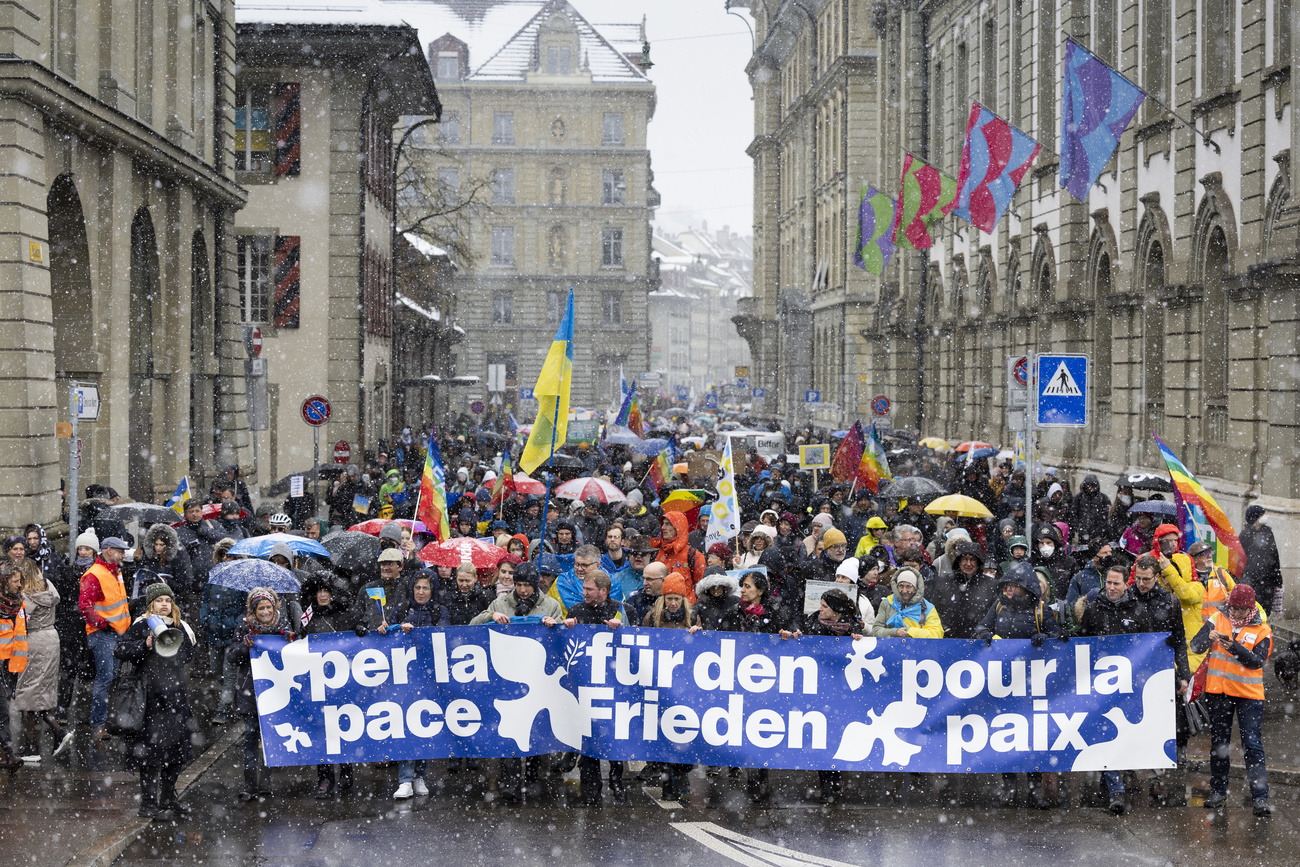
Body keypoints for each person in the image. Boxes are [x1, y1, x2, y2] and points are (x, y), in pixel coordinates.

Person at [974, 563, 1062, 808]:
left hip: (1033, 684)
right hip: (1004, 682)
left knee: (1032, 736)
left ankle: (1034, 789)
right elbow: (981, 626)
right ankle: (1009, 787)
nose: (1010, 590)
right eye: (1008, 586)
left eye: (1015, 586)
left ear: (1027, 588)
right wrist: (984, 634)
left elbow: (1059, 636)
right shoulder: (999, 605)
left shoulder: (1041, 610)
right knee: (1006, 734)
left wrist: (1045, 637)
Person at [114, 583, 197, 821]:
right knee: (151, 753)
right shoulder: (141, 625)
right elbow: (120, 650)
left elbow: (187, 654)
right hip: (150, 698)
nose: (164, 604)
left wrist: (173, 647)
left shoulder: (179, 627)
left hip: (174, 697)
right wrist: (145, 645)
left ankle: (168, 797)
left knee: (176, 750)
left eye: (168, 601)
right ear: (151, 604)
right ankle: (148, 804)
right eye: (159, 600)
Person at [1190, 584, 1272, 816]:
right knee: (1219, 745)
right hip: (1219, 693)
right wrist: (1207, 638)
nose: (1235, 613)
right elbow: (1195, 646)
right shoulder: (1217, 618)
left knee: (1252, 745)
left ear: (1251, 608)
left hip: (1249, 695)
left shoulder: (1262, 629)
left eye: (1240, 610)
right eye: (1232, 608)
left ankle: (1260, 798)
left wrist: (1234, 647)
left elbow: (1258, 662)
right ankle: (1218, 792)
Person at [545, 570, 625, 806]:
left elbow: (639, 641)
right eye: (584, 588)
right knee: (588, 736)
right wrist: (566, 627)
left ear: (604, 591)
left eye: (589, 589)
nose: (584, 593)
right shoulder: (577, 610)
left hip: (613, 685)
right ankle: (591, 787)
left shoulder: (621, 610)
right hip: (584, 685)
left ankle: (617, 781)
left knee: (614, 737)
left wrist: (622, 629)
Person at [797, 588, 866, 803]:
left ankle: (835, 778)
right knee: (820, 736)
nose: (820, 609)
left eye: (825, 606)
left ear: (836, 610)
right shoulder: (811, 622)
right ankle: (826, 784)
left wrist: (860, 642)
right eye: (820, 604)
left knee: (835, 735)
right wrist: (795, 636)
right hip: (818, 689)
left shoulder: (853, 627)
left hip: (842, 692)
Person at [228, 587, 296, 801]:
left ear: (274, 607)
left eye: (268, 607)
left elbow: (294, 654)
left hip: (275, 691)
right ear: (253, 610)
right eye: (260, 608)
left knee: (269, 738)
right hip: (250, 691)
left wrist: (290, 640)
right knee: (251, 737)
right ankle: (249, 784)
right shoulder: (244, 626)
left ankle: (265, 782)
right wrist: (245, 646)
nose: (265, 612)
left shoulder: (283, 625)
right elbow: (232, 657)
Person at [8, 558, 71, 761]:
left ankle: (35, 747)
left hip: (34, 642)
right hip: (51, 639)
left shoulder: (28, 596)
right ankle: (53, 735)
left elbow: (21, 620)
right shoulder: (48, 589)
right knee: (39, 692)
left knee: (28, 694)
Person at [298, 574, 355, 798]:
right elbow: (299, 645)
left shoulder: (344, 615)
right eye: (319, 591)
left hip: (342, 683)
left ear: (333, 593)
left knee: (343, 726)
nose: (322, 595)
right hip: (317, 684)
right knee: (321, 730)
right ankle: (324, 778)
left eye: (326, 591)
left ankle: (346, 770)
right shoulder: (307, 618)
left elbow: (356, 640)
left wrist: (361, 630)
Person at [80, 536, 130, 739]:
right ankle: (98, 723)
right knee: (105, 679)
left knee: (109, 678)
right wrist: (104, 625)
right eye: (120, 551)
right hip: (104, 635)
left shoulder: (114, 571)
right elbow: (85, 607)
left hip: (115, 633)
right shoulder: (95, 574)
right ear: (109, 551)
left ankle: (101, 721)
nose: (123, 555)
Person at [46, 527, 93, 727]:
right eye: (80, 548)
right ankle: (62, 707)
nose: (83, 552)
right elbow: (61, 600)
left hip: (92, 627)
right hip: (71, 628)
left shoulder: (98, 573)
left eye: (87, 549)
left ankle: (90, 712)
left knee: (90, 670)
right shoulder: (68, 572)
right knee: (68, 669)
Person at [928, 540, 997, 640]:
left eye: (972, 560)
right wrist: (944, 628)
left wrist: (983, 631)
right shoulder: (944, 582)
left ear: (979, 562)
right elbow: (933, 610)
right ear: (958, 561)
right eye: (965, 559)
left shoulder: (991, 585)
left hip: (979, 641)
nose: (968, 564)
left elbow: (996, 614)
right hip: (948, 640)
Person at [870, 567, 944, 638]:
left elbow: (937, 634)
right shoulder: (887, 603)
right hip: (890, 646)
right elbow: (876, 630)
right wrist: (895, 632)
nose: (904, 591)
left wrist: (909, 632)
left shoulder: (926, 607)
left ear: (915, 588)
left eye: (908, 586)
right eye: (901, 586)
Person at [550, 544, 625, 614]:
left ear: (597, 565)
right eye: (577, 564)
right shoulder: (562, 582)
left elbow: (620, 613)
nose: (579, 569)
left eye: (584, 565)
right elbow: (551, 611)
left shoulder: (612, 584)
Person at [651, 512, 705, 601]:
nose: (663, 527)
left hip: (686, 606)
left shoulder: (694, 555)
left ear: (678, 528)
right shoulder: (656, 552)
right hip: (661, 606)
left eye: (668, 524)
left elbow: (701, 588)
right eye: (663, 524)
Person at [1239, 505, 1282, 614]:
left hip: (1267, 581)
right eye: (1262, 515)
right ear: (1255, 518)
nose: (1264, 517)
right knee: (1252, 611)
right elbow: (1239, 559)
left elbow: (1274, 555)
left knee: (1265, 611)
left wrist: (1278, 578)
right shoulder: (1245, 535)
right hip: (1250, 580)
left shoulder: (1268, 533)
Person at [354, 548, 409, 631]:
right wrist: (360, 625)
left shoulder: (408, 586)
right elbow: (357, 615)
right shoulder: (367, 588)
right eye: (383, 564)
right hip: (374, 637)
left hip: (401, 636)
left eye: (390, 564)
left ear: (401, 566)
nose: (386, 568)